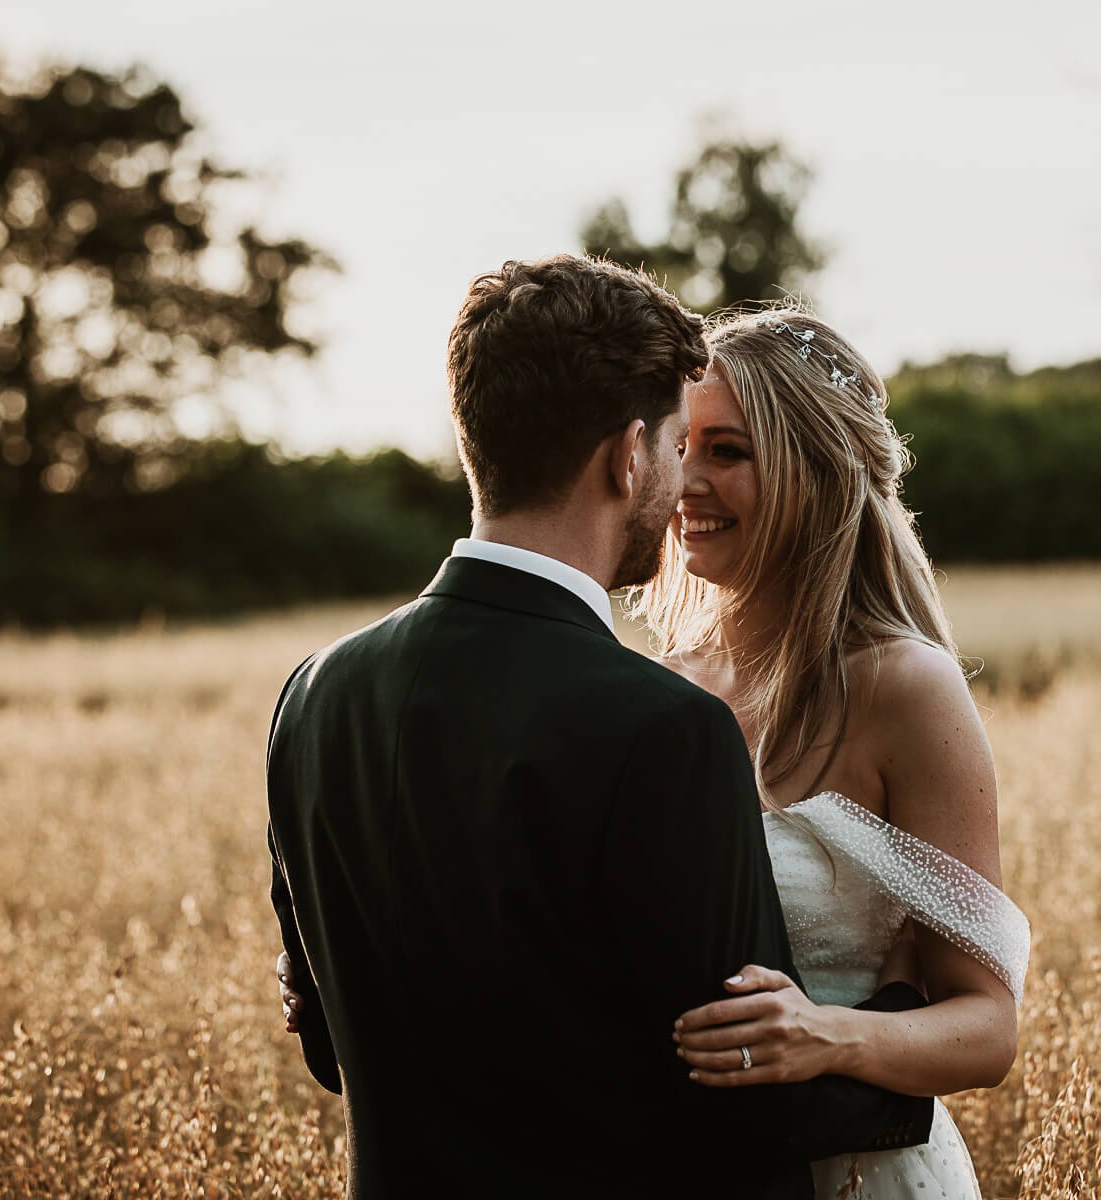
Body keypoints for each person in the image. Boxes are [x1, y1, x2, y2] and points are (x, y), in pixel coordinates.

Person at [265, 256, 937, 1200]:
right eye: (673, 445)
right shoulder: (665, 729)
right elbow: (749, 1101)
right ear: (627, 456)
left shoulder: (312, 697)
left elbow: (333, 1049)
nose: (681, 479)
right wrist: (901, 1009)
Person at [641, 310, 1030, 1198]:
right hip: (701, 1171)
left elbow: (987, 1027)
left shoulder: (905, 687)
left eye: (728, 452)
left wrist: (823, 1034)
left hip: (866, 1170)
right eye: (680, 447)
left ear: (814, 472)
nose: (687, 484)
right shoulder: (665, 688)